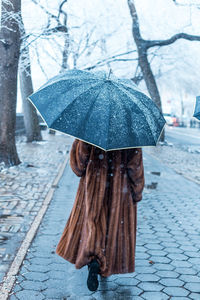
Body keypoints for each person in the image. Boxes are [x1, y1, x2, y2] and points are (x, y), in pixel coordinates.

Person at [56, 139, 145, 291]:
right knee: (113, 227)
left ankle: (94, 258)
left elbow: (78, 167)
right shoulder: (130, 134)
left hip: (92, 187)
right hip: (119, 191)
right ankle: (105, 262)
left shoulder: (89, 129)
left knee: (93, 223)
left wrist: (84, 144)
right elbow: (134, 167)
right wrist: (137, 192)